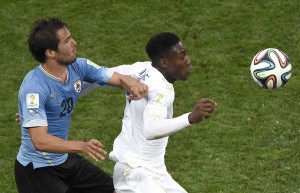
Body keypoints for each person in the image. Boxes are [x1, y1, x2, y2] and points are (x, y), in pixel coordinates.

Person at [15, 17, 148, 193]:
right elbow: (40, 140)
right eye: (67, 40)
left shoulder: (79, 66)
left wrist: (129, 82)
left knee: (114, 189)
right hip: (37, 170)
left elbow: (113, 76)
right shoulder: (34, 87)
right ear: (50, 52)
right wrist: (81, 146)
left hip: (63, 157)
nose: (74, 43)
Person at [106, 32, 216, 192]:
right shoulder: (162, 89)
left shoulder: (140, 68)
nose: (188, 60)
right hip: (135, 174)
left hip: (153, 172)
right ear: (164, 62)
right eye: (182, 56)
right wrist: (190, 118)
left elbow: (98, 75)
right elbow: (150, 130)